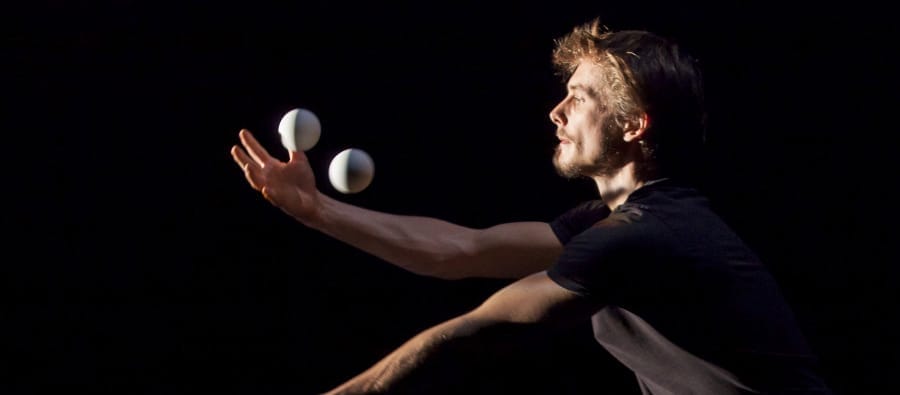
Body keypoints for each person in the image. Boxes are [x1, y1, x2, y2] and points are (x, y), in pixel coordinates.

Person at [230, 17, 832, 395]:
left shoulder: (645, 235)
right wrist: (316, 212)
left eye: (578, 97)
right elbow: (460, 250)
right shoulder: (614, 221)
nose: (556, 112)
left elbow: (467, 334)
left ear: (632, 124)